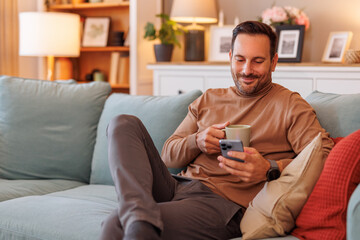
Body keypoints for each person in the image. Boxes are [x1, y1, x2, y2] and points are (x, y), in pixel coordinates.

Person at [100, 21, 334, 240]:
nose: (247, 70)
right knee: (122, 122)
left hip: (221, 205)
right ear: (230, 58)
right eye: (240, 59)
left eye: (258, 61)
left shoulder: (289, 104)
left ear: (274, 62)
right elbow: (168, 155)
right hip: (176, 186)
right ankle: (138, 214)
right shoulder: (209, 98)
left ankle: (136, 219)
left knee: (116, 224)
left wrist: (269, 169)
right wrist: (197, 141)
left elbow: (322, 152)